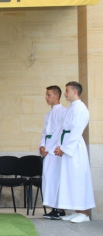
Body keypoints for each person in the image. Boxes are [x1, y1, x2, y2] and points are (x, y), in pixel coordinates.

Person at [54, 81, 95, 223]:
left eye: (67, 91)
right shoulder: (71, 108)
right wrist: (60, 145)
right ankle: (76, 210)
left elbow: (76, 131)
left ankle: (84, 213)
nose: (65, 93)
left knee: (77, 178)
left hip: (75, 148)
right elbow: (63, 129)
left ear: (75, 92)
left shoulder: (81, 109)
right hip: (67, 145)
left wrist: (64, 148)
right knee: (69, 178)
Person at [39, 86, 66, 220]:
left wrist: (56, 147)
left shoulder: (63, 112)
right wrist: (42, 146)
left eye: (48, 95)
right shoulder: (48, 114)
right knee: (48, 178)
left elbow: (61, 132)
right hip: (48, 149)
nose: (46, 97)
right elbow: (45, 132)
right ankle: (53, 207)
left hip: (55, 151)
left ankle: (60, 208)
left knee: (56, 179)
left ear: (56, 96)